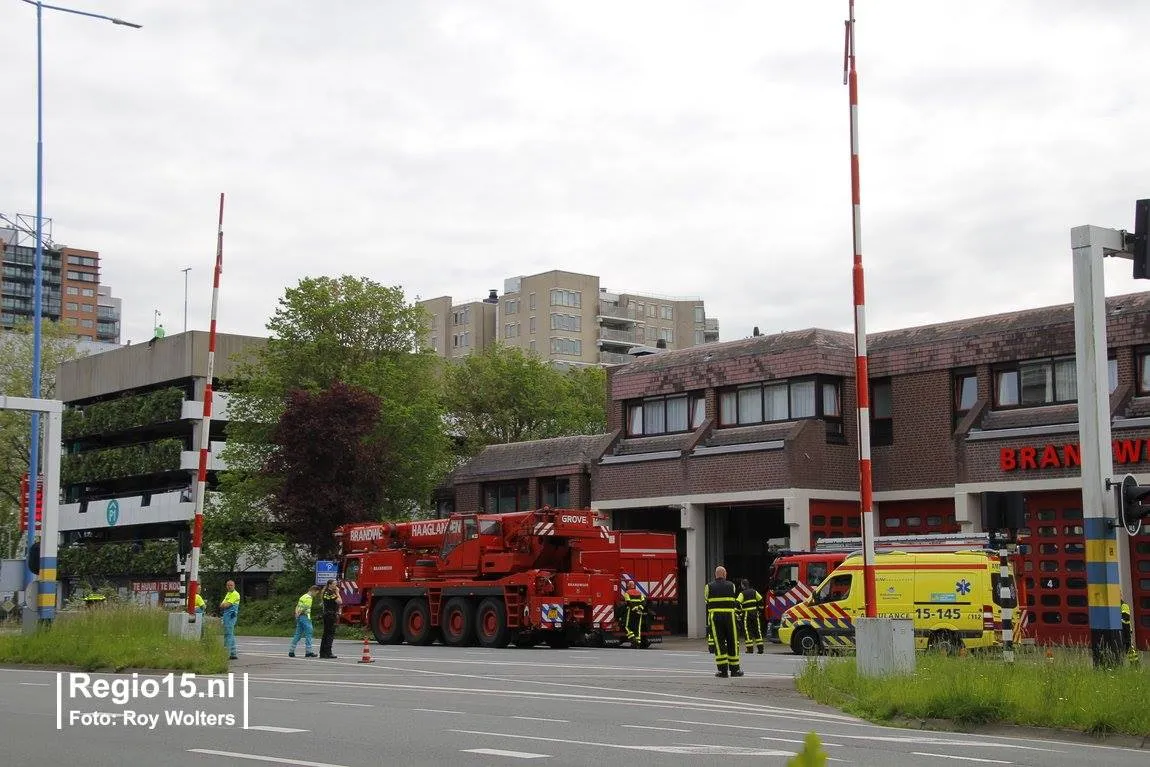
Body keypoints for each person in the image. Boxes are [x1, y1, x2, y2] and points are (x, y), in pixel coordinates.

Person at [705, 565, 742, 678]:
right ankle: (735, 670)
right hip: (730, 617)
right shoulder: (732, 585)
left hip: (715, 617)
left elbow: (707, 600)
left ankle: (723, 671)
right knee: (732, 642)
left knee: (719, 643)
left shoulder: (708, 586)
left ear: (715, 575)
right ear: (725, 574)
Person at [289, 585, 321, 658]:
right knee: (309, 634)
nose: (316, 595)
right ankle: (308, 652)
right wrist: (299, 613)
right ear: (313, 590)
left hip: (299, 617)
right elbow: (304, 608)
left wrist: (296, 614)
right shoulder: (309, 598)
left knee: (298, 634)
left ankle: (291, 651)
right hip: (305, 617)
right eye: (316, 593)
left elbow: (298, 606)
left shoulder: (303, 596)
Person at [737, 578, 765, 654]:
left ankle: (750, 649)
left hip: (747, 614)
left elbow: (738, 603)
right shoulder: (754, 592)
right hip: (755, 613)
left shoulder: (742, 594)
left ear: (742, 585)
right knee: (757, 630)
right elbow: (761, 600)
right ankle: (760, 649)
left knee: (747, 631)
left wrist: (739, 613)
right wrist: (760, 610)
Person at [320, 580, 342, 659]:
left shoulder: (325, 592)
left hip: (326, 614)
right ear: (330, 585)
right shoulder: (330, 593)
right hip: (330, 615)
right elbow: (339, 601)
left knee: (325, 634)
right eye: (334, 584)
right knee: (330, 634)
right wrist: (338, 593)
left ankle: (322, 652)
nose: (336, 586)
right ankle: (328, 653)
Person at [622, 578, 647, 648]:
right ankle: (638, 642)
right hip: (639, 612)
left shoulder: (627, 593)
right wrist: (639, 608)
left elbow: (628, 603)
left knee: (626, 626)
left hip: (631, 612)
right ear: (634, 586)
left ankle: (633, 639)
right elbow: (644, 602)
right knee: (637, 628)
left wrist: (634, 608)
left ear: (629, 586)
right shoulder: (639, 593)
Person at [219, 580, 241, 660]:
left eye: (231, 585)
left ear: (234, 586)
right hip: (226, 615)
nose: (229, 586)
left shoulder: (235, 594)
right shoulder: (228, 594)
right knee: (230, 634)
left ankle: (226, 653)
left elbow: (227, 605)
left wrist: (224, 605)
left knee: (228, 634)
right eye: (228, 585)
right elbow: (221, 605)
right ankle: (233, 653)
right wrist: (224, 605)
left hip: (231, 616)